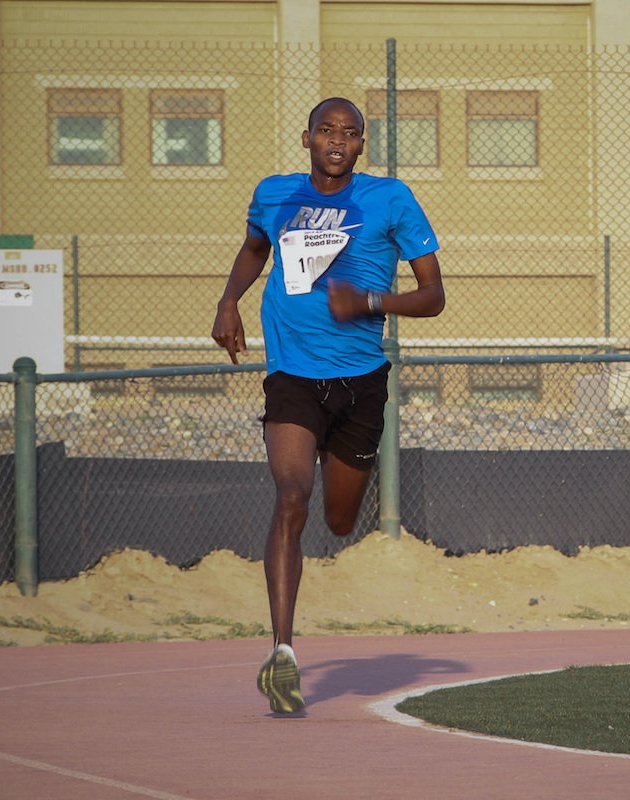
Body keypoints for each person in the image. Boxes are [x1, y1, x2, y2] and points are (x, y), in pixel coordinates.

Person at [211, 97, 444, 714]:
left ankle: (335, 521)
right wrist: (228, 301)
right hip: (291, 375)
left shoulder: (390, 199)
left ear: (361, 144)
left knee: (340, 521)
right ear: (308, 137)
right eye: (326, 130)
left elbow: (433, 295)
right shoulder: (274, 193)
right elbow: (255, 249)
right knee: (291, 497)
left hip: (360, 382)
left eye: (349, 132)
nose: (336, 140)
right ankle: (282, 656)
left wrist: (369, 303)